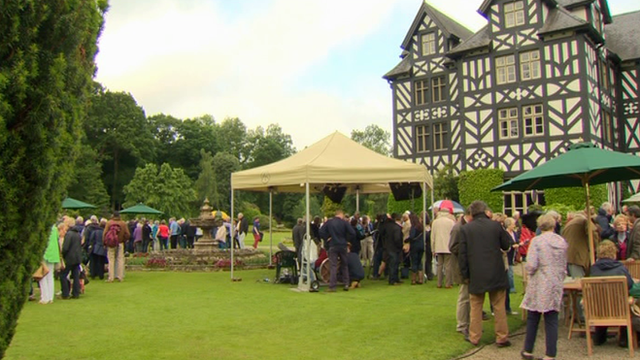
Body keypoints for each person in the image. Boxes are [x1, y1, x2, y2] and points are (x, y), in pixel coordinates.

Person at [459, 200, 511, 347]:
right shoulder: (495, 225)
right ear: (485, 211)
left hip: (476, 272)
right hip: (495, 270)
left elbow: (462, 255)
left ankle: (474, 337)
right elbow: (506, 245)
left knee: (476, 306)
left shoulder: (466, 229)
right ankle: (501, 337)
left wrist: (465, 275)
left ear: (472, 213)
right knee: (498, 305)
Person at [520, 214, 568, 360]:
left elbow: (532, 264)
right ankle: (550, 354)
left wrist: (529, 271)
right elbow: (564, 262)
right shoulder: (562, 241)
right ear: (554, 225)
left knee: (533, 316)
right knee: (551, 317)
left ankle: (528, 350)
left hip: (540, 280)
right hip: (556, 279)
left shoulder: (537, 241)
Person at [589, 240, 634, 347]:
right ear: (614, 253)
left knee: (601, 301)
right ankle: (624, 338)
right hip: (619, 307)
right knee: (626, 303)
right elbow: (630, 285)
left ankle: (599, 337)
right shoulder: (620, 268)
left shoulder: (593, 269)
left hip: (599, 308)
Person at [319, 209, 355, 292]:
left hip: (333, 245)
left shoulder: (329, 222)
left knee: (333, 266)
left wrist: (327, 238)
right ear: (341, 215)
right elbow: (352, 232)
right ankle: (346, 283)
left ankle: (332, 286)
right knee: (344, 265)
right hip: (343, 245)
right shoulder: (344, 223)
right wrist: (347, 240)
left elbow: (321, 231)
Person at [449, 209, 472, 338]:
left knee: (468, 296)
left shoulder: (464, 226)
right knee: (464, 297)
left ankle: (468, 323)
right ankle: (462, 325)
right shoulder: (458, 228)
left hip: (465, 265)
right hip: (459, 266)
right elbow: (452, 247)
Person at [431, 202, 456, 288]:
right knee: (448, 266)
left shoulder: (435, 222)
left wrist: (433, 248)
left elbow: (432, 237)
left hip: (438, 246)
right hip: (448, 246)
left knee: (439, 265)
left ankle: (439, 283)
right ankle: (448, 283)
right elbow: (453, 235)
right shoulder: (451, 222)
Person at [103, 211, 130, 282]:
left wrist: (104, 243)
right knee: (120, 259)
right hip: (120, 243)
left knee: (111, 260)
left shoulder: (109, 223)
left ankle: (111, 277)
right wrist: (123, 240)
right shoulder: (123, 223)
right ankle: (120, 276)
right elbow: (127, 234)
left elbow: (105, 234)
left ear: (113, 215)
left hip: (111, 244)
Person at [60, 221, 83, 299]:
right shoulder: (78, 234)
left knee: (63, 275)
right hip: (77, 258)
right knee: (76, 276)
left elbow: (66, 247)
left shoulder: (69, 235)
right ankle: (76, 293)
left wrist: (63, 254)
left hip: (69, 258)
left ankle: (65, 293)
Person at [39, 224, 61, 304]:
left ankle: (45, 297)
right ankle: (50, 297)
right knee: (50, 276)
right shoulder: (55, 229)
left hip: (45, 254)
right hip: (53, 254)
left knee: (42, 276)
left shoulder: (43, 227)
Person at [384, 213, 404, 285]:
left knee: (393, 264)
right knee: (394, 264)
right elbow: (397, 239)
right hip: (395, 248)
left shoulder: (390, 226)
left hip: (389, 247)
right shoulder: (397, 228)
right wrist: (400, 246)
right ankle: (392, 280)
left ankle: (395, 279)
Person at [407, 213, 424, 285]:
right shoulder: (421, 226)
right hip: (421, 246)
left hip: (415, 246)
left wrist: (407, 240)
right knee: (419, 262)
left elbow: (412, 237)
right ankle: (420, 279)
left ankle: (413, 280)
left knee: (414, 262)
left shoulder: (413, 227)